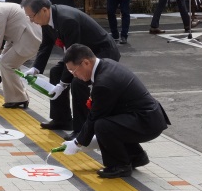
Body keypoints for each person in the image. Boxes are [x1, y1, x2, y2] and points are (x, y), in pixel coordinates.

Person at [61, 44, 171, 179]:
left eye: (74, 71)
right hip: (145, 116)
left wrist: (78, 142)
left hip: (147, 121)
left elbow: (95, 116)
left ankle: (119, 165)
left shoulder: (104, 82)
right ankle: (136, 156)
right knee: (110, 121)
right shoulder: (105, 64)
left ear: (86, 63)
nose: (75, 75)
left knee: (102, 125)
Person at [21, 0, 120, 140]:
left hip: (101, 51)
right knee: (55, 71)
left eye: (32, 16)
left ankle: (81, 130)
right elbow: (46, 45)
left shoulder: (67, 20)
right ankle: (62, 119)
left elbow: (75, 54)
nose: (31, 20)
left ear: (44, 10)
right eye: (28, 17)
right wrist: (35, 69)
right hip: (81, 51)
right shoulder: (47, 19)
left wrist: (62, 84)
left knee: (78, 83)